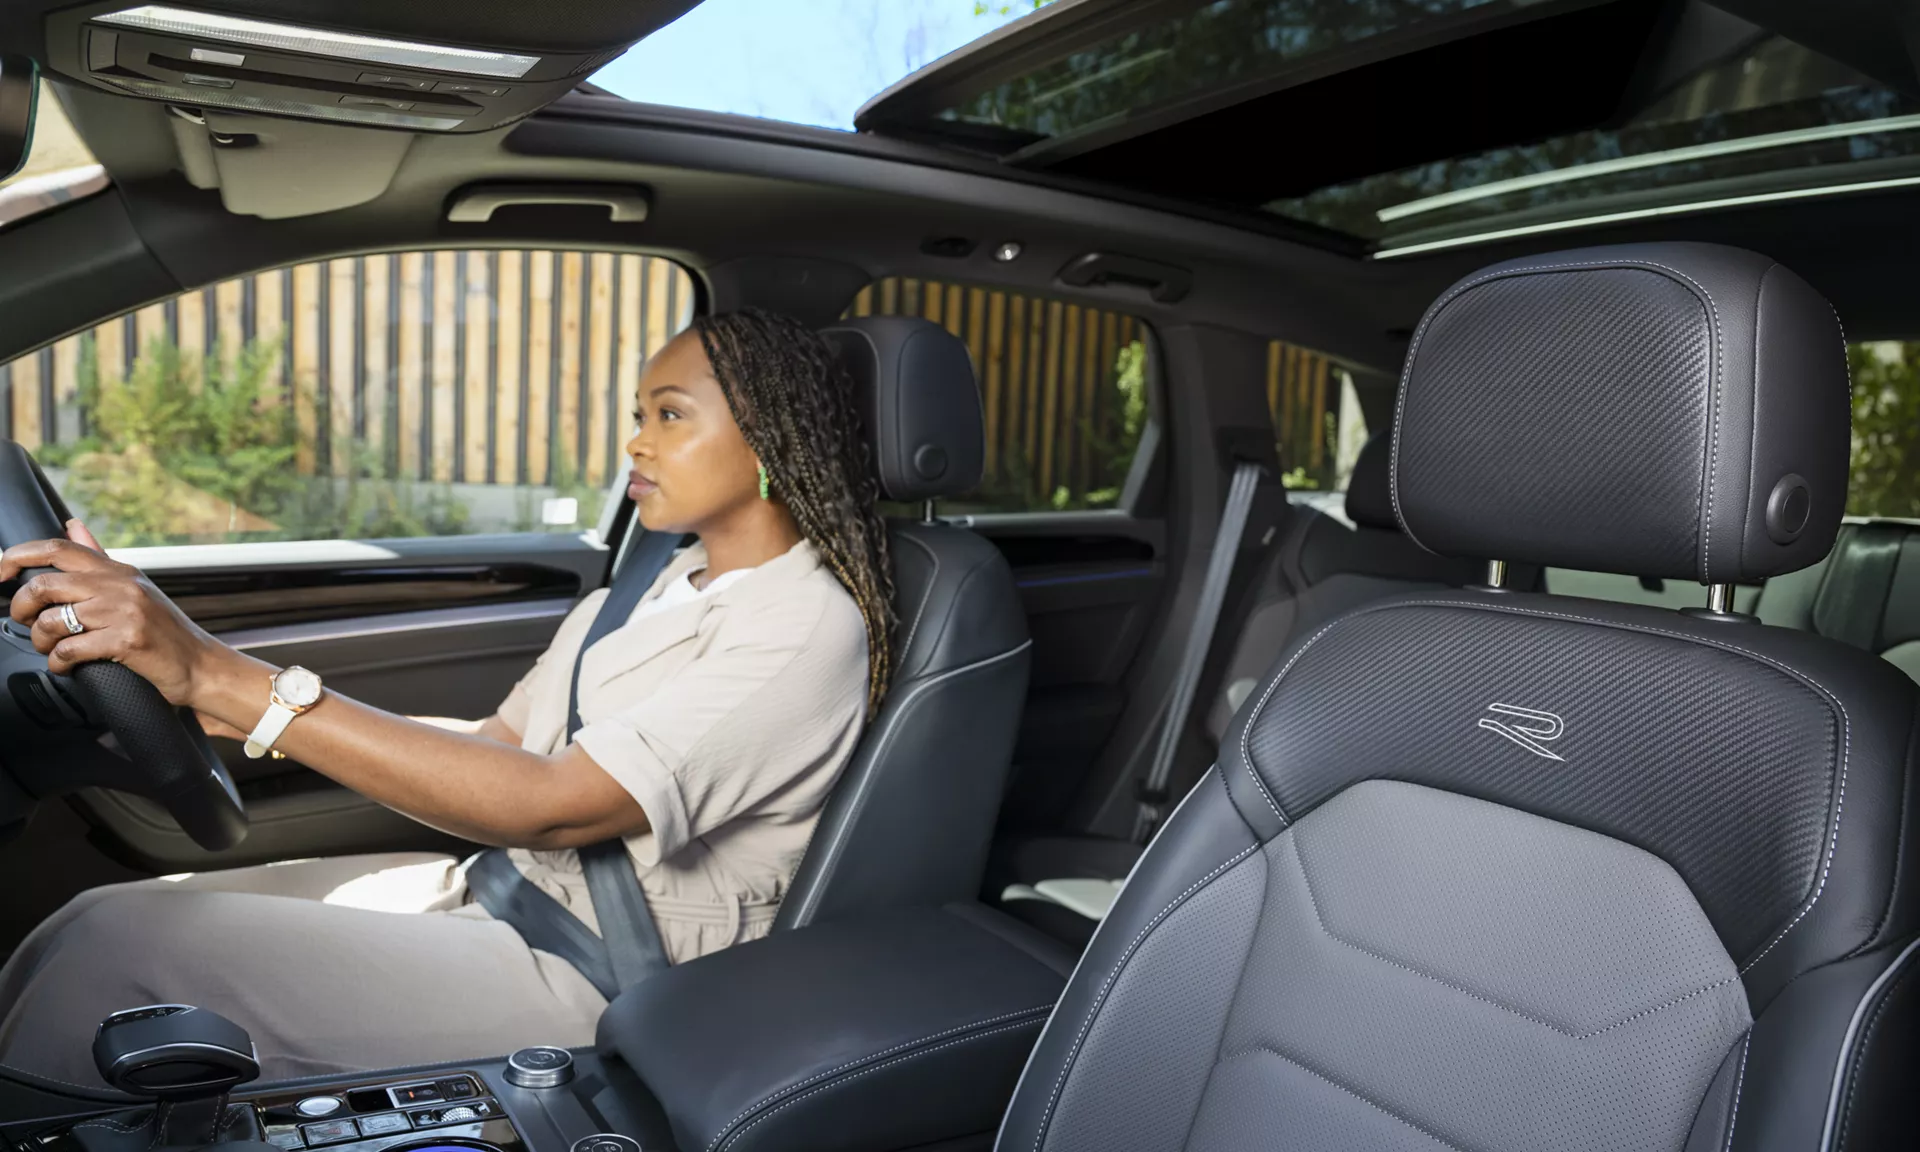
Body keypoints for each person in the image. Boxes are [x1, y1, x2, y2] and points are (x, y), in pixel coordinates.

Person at [0, 308, 895, 1084]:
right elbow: (498, 743)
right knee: (97, 919)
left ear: (772, 436)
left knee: (119, 958)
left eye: (670, 414)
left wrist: (221, 674)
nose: (636, 441)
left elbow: (555, 805)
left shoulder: (805, 626)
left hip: (604, 975)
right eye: (638, 415)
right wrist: (238, 710)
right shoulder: (649, 588)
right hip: (497, 892)